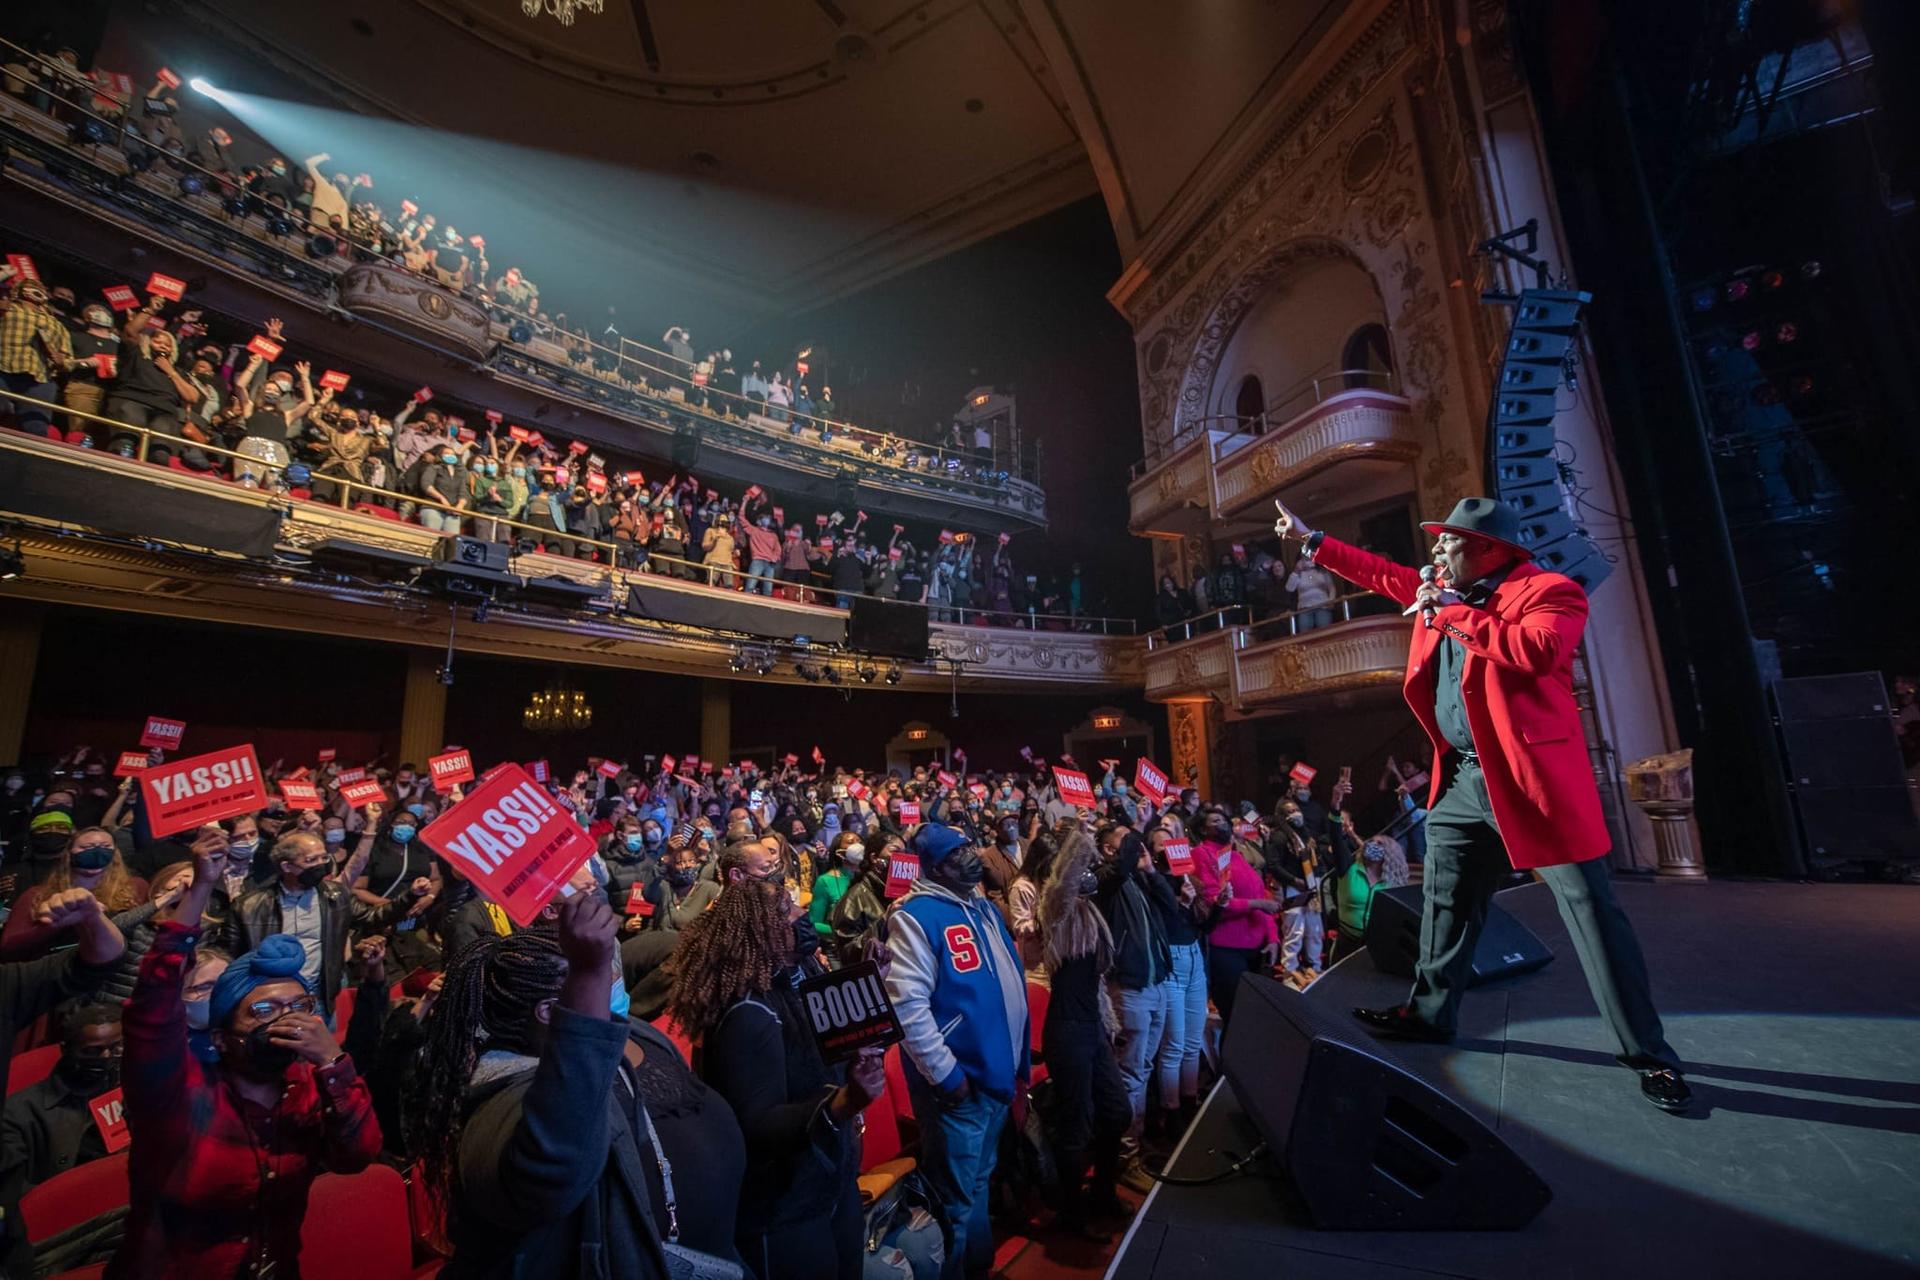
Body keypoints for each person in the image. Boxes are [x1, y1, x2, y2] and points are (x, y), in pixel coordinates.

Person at [1275, 495, 1690, 1111]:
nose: (1436, 551)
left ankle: (1649, 1055)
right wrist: (1314, 544)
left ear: (1489, 549)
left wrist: (1453, 615)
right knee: (1445, 906)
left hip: (1530, 783)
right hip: (1462, 782)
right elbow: (1385, 574)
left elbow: (1539, 653)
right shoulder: (1440, 589)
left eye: (1448, 541)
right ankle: (1430, 1014)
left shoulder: (1551, 591)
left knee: (1592, 915)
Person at [407, 894, 747, 1278]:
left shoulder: (632, 1034)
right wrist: (588, 972)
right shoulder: (501, 1099)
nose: (612, 982)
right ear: (552, 1013)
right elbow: (552, 1173)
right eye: (601, 978)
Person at [112, 829, 380, 1278]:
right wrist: (200, 885)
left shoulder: (308, 1090)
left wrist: (334, 1063)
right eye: (262, 1009)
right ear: (221, 1038)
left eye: (299, 1006)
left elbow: (356, 1157)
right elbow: (155, 998)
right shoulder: (181, 1089)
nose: (286, 1018)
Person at [666, 849, 881, 1279]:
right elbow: (759, 1124)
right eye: (787, 910)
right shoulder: (748, 1013)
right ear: (759, 932)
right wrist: (843, 1103)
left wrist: (864, 978)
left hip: (824, 1187)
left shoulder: (790, 981)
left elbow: (834, 1047)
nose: (802, 911)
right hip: (783, 1211)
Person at [884, 824, 1028, 1279]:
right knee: (956, 1204)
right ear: (936, 866)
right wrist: (947, 1076)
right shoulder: (915, 916)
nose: (971, 856)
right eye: (958, 852)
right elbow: (906, 1005)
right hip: (959, 1087)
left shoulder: (980, 904)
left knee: (978, 1185)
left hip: (994, 1078)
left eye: (969, 846)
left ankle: (978, 1269)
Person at [1035, 831, 1130, 1242]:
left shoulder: (1090, 914)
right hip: (1066, 1030)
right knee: (1075, 1125)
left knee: (1117, 1112)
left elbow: (1095, 983)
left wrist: (1108, 1024)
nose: (1089, 877)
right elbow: (1066, 879)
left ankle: (1103, 1191)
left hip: (1091, 1025)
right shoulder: (1054, 911)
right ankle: (1072, 1215)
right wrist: (1082, 834)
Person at [230, 830, 415, 1018]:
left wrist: (410, 896)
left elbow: (371, 917)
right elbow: (230, 956)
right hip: (269, 997)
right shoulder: (249, 906)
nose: (321, 865)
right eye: (311, 860)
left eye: (324, 858)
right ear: (287, 866)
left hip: (317, 995)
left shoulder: (335, 895)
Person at [1091, 826, 1172, 1191]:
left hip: (1156, 983)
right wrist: (1139, 824)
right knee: (1130, 1075)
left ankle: (1137, 1142)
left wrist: (1152, 873)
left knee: (1145, 1068)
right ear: (1109, 850)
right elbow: (1117, 869)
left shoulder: (1137, 878)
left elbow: (1171, 909)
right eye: (1126, 841)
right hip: (1128, 987)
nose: (1137, 846)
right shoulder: (1103, 880)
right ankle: (1125, 1158)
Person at [0, 825, 148, 960]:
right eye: (87, 847)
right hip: (53, 972)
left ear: (115, 853)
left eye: (105, 846)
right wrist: (55, 924)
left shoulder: (135, 887)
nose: (97, 851)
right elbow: (8, 947)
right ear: (69, 853)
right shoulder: (36, 894)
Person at [1189, 811, 1278, 1025]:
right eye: (1215, 821)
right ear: (1203, 830)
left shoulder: (1234, 855)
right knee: (1237, 1015)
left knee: (1257, 1014)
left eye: (1223, 820)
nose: (1223, 824)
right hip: (1227, 947)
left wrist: (1273, 937)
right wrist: (1257, 905)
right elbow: (1215, 901)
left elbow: (1259, 895)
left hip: (1255, 945)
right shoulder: (1202, 854)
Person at [1332, 839, 1389, 964]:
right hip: (1347, 939)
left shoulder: (1391, 879)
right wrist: (1335, 819)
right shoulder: (1349, 869)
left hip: (1373, 944)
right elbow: (1337, 841)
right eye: (1372, 843)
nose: (1375, 846)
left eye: (1380, 844)